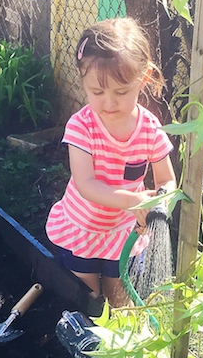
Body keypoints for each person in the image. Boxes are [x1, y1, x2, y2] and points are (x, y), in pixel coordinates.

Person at [46, 18, 177, 306]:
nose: (109, 103)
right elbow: (86, 185)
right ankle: (89, 342)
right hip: (82, 229)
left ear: (143, 80)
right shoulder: (82, 127)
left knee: (121, 299)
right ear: (83, 81)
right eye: (96, 92)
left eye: (121, 92)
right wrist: (133, 201)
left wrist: (159, 203)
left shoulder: (149, 129)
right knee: (87, 298)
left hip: (123, 233)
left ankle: (121, 346)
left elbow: (167, 180)